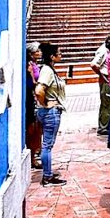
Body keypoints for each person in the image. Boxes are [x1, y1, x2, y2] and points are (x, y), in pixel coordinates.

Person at [34, 42, 67, 186]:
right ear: (52, 57)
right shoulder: (47, 71)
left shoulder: (50, 70)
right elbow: (39, 90)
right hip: (50, 112)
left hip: (48, 111)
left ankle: (47, 173)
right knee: (47, 145)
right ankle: (47, 176)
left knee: (47, 144)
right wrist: (45, 103)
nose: (61, 55)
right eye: (59, 53)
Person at [90, 33, 110, 136]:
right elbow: (93, 64)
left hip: (109, 79)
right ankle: (103, 127)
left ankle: (106, 125)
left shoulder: (109, 51)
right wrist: (101, 75)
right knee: (107, 103)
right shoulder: (104, 51)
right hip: (106, 79)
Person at [25, 42, 43, 169]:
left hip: (34, 98)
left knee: (36, 128)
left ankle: (35, 152)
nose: (40, 53)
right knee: (32, 129)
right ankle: (32, 157)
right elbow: (31, 84)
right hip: (30, 99)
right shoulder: (29, 67)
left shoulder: (34, 65)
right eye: (37, 51)